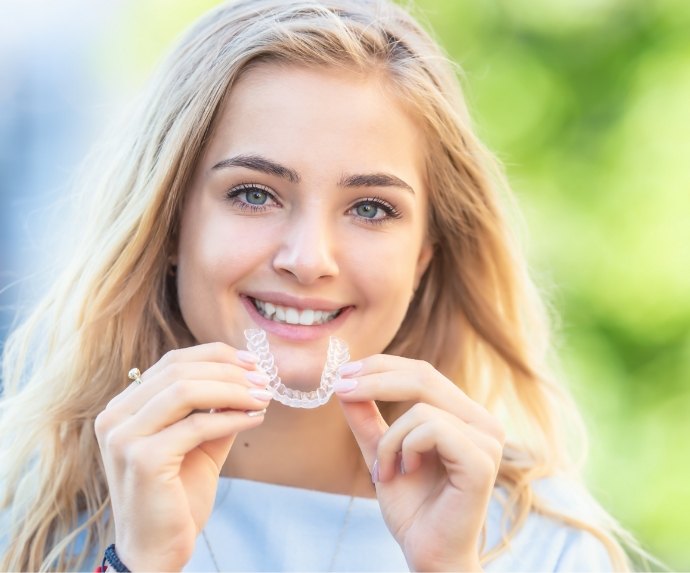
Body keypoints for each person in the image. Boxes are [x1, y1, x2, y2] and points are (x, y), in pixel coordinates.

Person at [0, 0, 645, 571]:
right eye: (254, 194)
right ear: (169, 224)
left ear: (424, 255)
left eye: (370, 208)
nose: (309, 260)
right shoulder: (31, 525)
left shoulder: (545, 546)